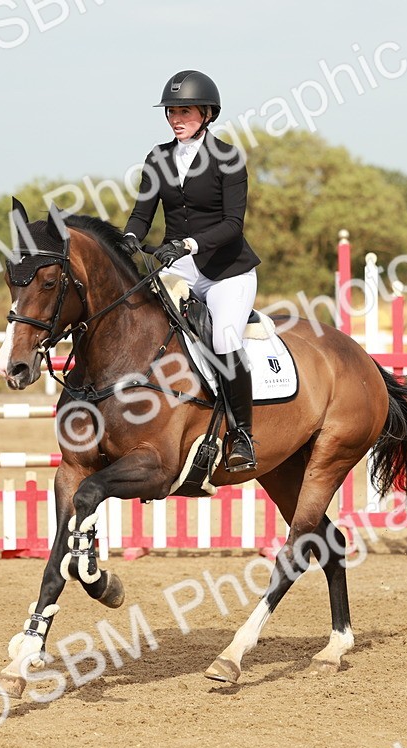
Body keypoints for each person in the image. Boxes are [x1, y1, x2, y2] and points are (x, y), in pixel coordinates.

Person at [120, 70, 261, 472]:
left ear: (207, 114)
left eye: (184, 111)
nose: (175, 119)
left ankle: (243, 435)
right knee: (138, 324)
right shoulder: (158, 158)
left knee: (224, 337)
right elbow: (142, 214)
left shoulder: (228, 158)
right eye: (171, 111)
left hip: (226, 272)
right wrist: (128, 238)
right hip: (177, 269)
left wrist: (188, 244)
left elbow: (233, 224)